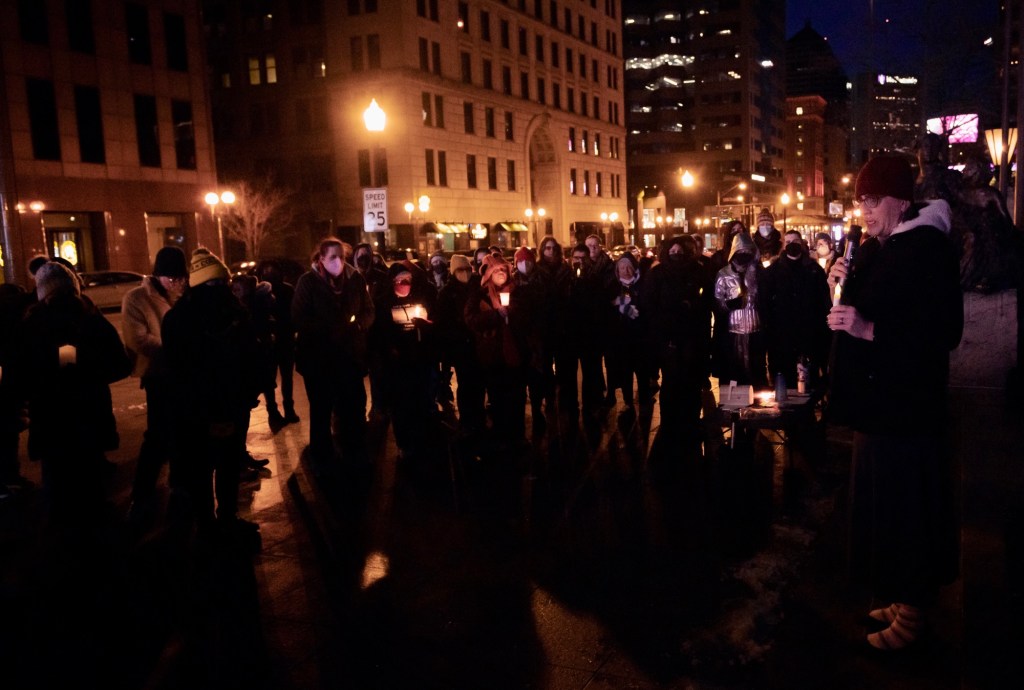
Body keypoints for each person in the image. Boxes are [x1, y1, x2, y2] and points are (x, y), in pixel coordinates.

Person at [826, 155, 963, 651]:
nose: (864, 208)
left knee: (907, 513)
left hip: (907, 411)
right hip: (879, 408)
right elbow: (857, 307)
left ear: (901, 202)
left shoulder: (928, 249)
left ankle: (914, 612)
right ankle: (902, 597)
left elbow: (944, 332)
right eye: (860, 199)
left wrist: (870, 330)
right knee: (884, 510)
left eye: (873, 199)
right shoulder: (878, 247)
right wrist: (837, 280)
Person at [14, 262, 131, 523]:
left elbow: (20, 373)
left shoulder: (32, 323)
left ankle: (61, 527)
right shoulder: (91, 318)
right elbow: (121, 364)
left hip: (50, 417)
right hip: (89, 411)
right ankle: (94, 523)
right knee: (90, 477)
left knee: (56, 481)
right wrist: (90, 375)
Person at [163, 248, 265, 544]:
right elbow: (177, 368)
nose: (218, 289)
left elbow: (252, 356)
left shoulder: (237, 314)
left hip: (232, 403)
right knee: (202, 466)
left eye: (221, 283)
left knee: (229, 464)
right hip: (199, 408)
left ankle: (228, 517)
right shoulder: (179, 320)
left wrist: (250, 391)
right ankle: (207, 522)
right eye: (211, 283)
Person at [292, 238, 375, 469]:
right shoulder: (308, 282)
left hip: (349, 357)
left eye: (341, 256)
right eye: (332, 257)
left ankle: (354, 451)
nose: (338, 261)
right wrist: (330, 329)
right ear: (321, 259)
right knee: (321, 410)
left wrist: (358, 325)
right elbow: (299, 317)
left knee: (353, 407)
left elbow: (368, 310)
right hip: (319, 360)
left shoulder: (355, 279)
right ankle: (322, 457)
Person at [121, 246, 189, 525]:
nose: (175, 283)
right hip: (158, 375)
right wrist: (176, 349)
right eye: (170, 278)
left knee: (183, 433)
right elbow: (137, 339)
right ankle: (142, 494)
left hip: (184, 375)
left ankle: (180, 487)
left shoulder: (185, 295)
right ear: (158, 275)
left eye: (179, 278)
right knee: (157, 435)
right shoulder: (137, 298)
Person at [762, 231, 831, 389]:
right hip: (781, 337)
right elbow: (766, 305)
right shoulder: (772, 272)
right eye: (788, 242)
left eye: (796, 241)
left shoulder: (814, 270)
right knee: (783, 383)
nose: (792, 244)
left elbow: (823, 304)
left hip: (808, 337)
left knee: (808, 382)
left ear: (802, 244)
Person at [713, 229, 768, 388]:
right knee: (735, 369)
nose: (744, 254)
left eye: (747, 251)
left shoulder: (759, 273)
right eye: (740, 251)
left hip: (755, 328)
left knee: (756, 368)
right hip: (733, 330)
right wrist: (728, 304)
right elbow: (717, 302)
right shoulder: (723, 274)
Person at [256, 259, 300, 425]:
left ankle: (287, 409)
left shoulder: (287, 290)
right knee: (270, 378)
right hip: (270, 341)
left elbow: (294, 312)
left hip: (283, 339)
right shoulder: (260, 292)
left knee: (286, 377)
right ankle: (273, 412)